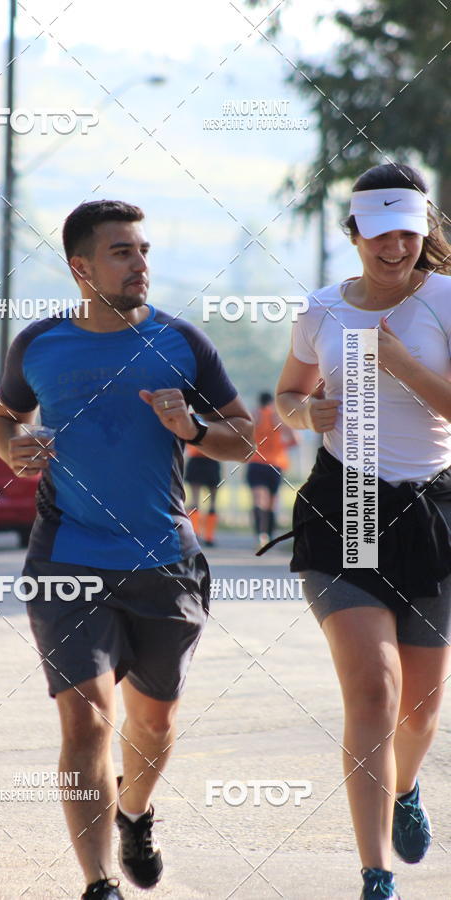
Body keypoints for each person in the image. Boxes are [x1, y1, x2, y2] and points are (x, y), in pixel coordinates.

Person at [0, 200, 255, 900]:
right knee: (85, 720)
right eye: (122, 252)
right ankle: (98, 883)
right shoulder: (39, 345)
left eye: (143, 250)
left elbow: (245, 435)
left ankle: (134, 813)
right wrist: (12, 449)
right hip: (67, 557)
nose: (140, 264)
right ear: (80, 268)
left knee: (155, 718)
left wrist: (192, 427)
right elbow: (5, 416)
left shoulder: (182, 342)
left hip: (164, 559)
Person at [273, 162, 451, 900]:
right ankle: (375, 873)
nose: (395, 248)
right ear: (354, 234)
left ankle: (406, 788)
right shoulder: (320, 309)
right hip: (345, 504)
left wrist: (401, 362)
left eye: (409, 233)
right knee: (373, 693)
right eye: (380, 235)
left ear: (425, 231)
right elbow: (289, 393)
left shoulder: (445, 300)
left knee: (420, 705)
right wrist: (301, 413)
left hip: (433, 512)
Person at [245, 391, 298, 546]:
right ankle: (269, 533)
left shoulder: (253, 416)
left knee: (258, 499)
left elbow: (242, 437)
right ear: (271, 403)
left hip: (256, 462)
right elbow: (295, 440)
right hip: (275, 463)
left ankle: (260, 533)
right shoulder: (278, 418)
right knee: (272, 501)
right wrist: (281, 448)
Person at [184, 444, 222, 546]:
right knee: (212, 502)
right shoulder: (217, 427)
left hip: (196, 459)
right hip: (212, 458)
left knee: (195, 500)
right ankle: (209, 537)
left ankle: (195, 533)